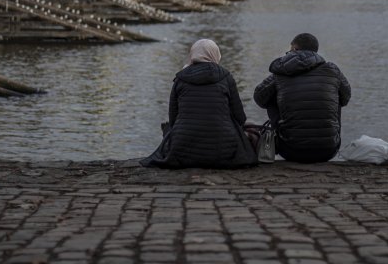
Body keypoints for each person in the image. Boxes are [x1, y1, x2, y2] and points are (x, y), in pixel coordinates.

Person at [141, 39, 258, 169]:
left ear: (193, 55)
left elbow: (173, 119)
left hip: (182, 150)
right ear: (215, 54)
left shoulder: (180, 79)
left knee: (168, 128)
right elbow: (240, 117)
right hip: (224, 149)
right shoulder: (226, 77)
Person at [254, 33, 351, 163]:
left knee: (270, 96)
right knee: (335, 96)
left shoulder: (281, 72)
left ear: (294, 48)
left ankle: (285, 133)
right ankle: (326, 136)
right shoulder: (332, 70)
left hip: (290, 150)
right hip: (328, 150)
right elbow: (345, 99)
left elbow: (259, 98)